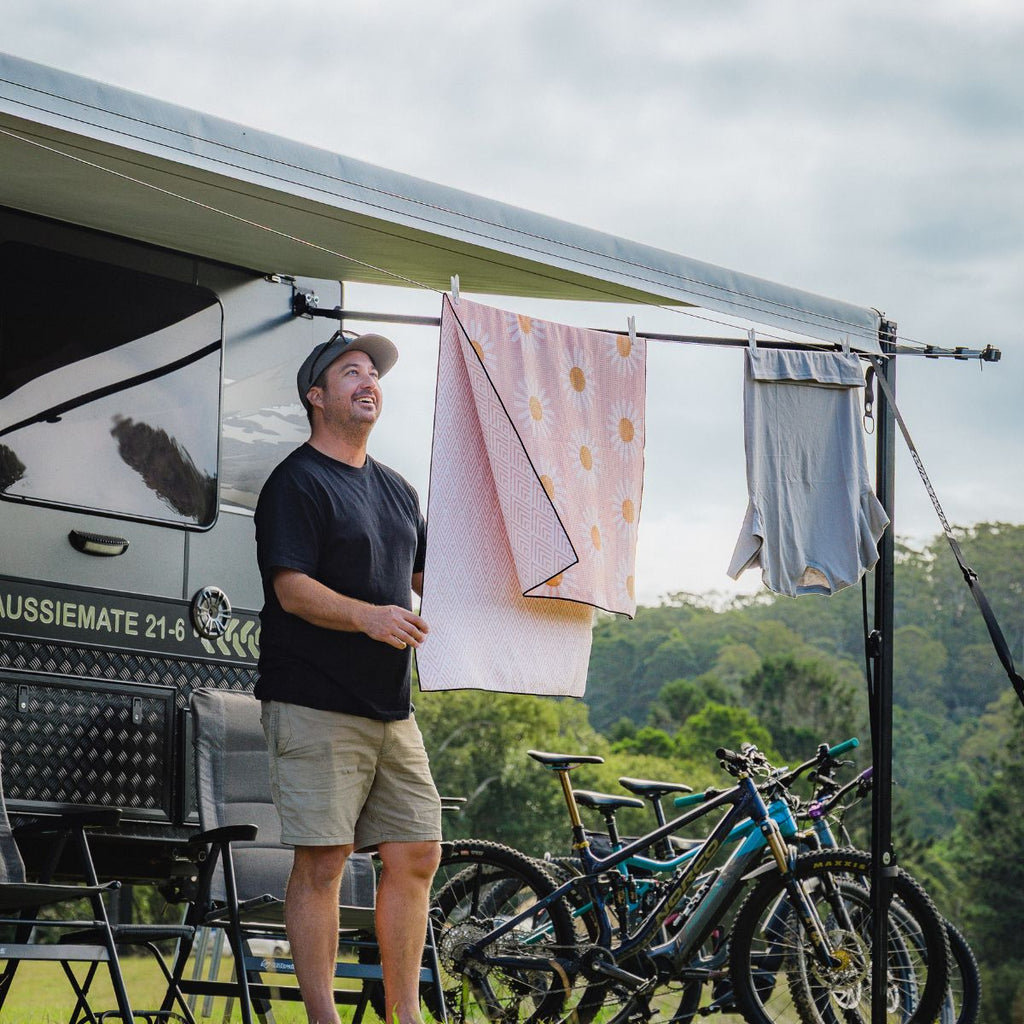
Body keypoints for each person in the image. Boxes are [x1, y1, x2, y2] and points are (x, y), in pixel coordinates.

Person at [253, 330, 441, 1024]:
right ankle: (324, 1019)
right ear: (317, 396)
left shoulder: (398, 490)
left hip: (391, 707)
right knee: (326, 860)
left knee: (417, 852)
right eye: (351, 372)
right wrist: (368, 616)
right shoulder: (296, 482)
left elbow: (429, 578)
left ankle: (403, 1015)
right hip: (314, 700)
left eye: (374, 374)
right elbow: (292, 590)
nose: (369, 382)